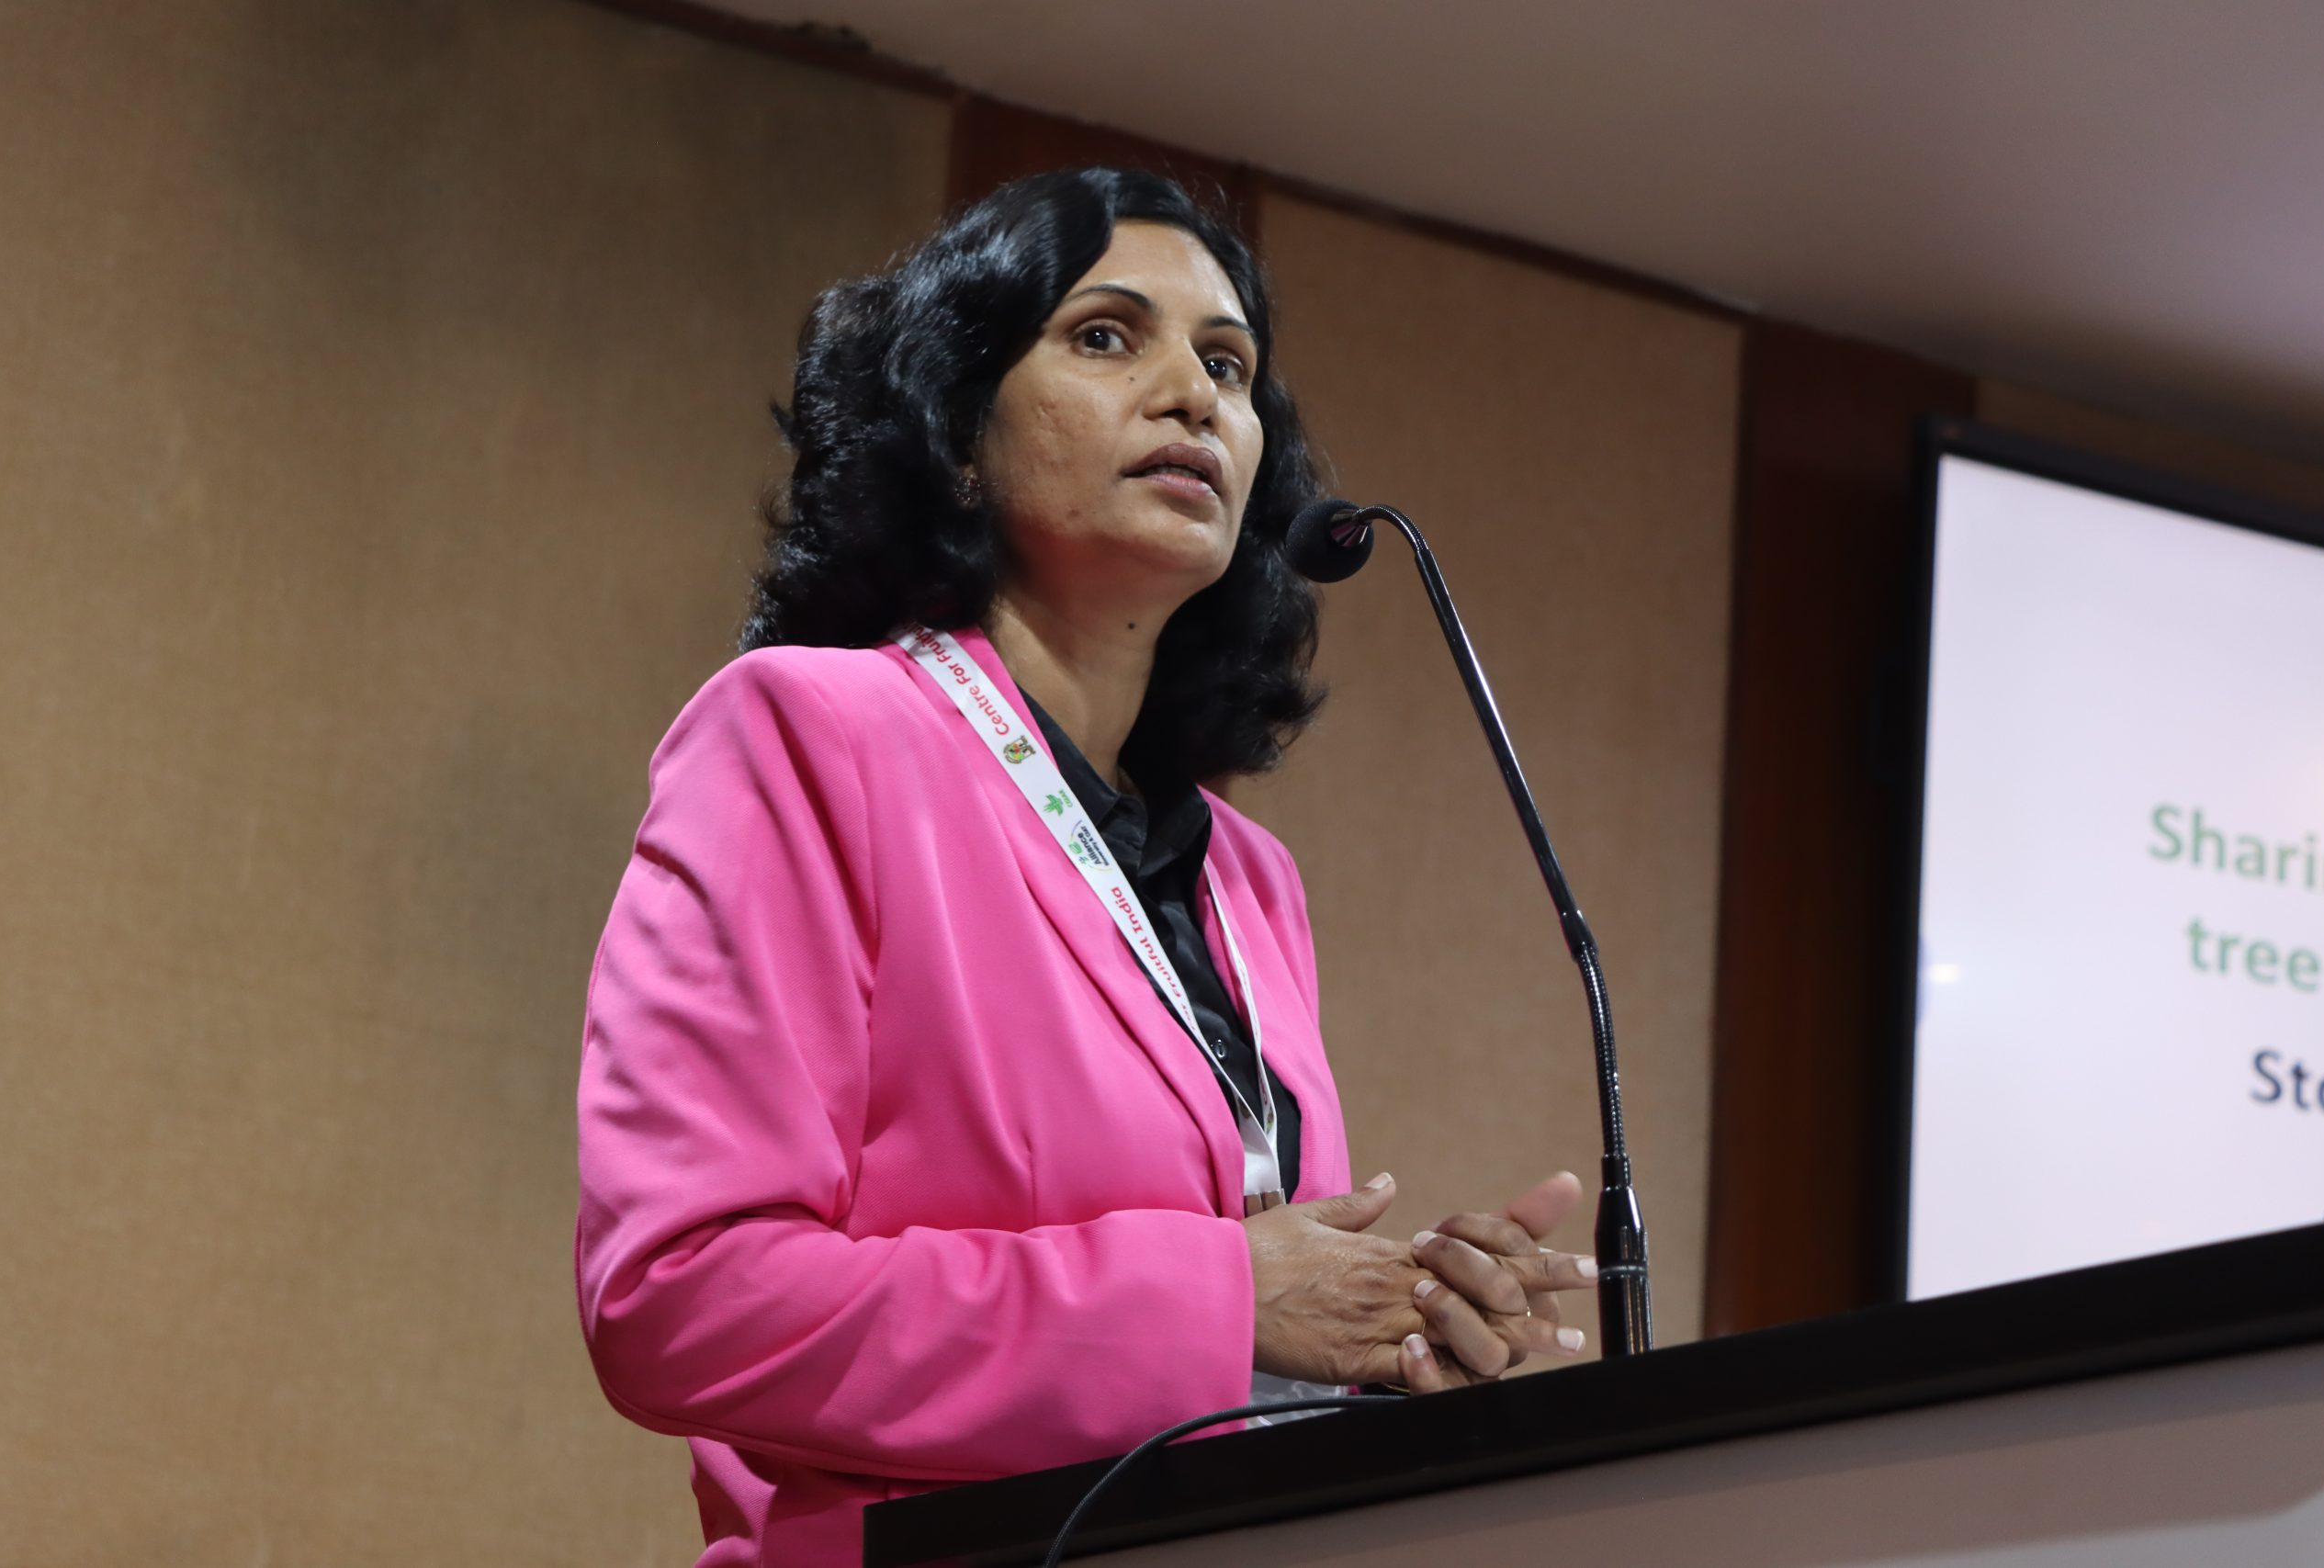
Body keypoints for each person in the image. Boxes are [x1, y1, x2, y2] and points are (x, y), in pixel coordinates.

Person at [574, 166, 1598, 1565]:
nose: (1193, 397)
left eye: (1228, 366)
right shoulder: (806, 736)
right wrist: (1224, 1302)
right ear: (955, 433)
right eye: (1108, 337)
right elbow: (681, 1300)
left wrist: (1394, 1333)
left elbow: (1224, 1358)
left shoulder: (1250, 878)